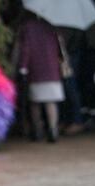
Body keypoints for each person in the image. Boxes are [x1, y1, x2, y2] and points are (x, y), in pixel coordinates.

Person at [18, 13, 65, 143]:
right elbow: (59, 49)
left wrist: (23, 67)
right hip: (52, 69)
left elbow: (26, 48)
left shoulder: (28, 27)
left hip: (36, 69)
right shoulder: (52, 26)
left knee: (35, 103)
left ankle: (37, 130)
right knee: (51, 102)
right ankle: (53, 129)